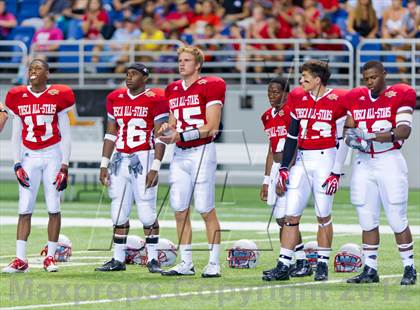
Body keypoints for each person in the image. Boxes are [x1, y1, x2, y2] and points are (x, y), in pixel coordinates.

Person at [264, 60, 349, 282]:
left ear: (318, 80)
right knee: (291, 216)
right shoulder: (297, 98)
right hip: (301, 159)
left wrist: (336, 172)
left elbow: (343, 139)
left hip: (325, 159)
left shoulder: (337, 99)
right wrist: (284, 167)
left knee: (323, 216)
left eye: (305, 78)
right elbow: (292, 135)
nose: (301, 81)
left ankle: (322, 265)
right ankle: (284, 265)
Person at [344, 61, 417, 285]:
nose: (370, 82)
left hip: (389, 161)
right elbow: (349, 127)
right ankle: (370, 269)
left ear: (384, 75)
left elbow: (403, 130)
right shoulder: (357, 97)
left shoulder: (400, 94)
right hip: (364, 162)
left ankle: (409, 268)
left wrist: (369, 137)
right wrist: (352, 138)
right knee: (366, 217)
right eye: (366, 78)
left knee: (396, 217)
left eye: (374, 77)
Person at [158, 45, 225, 278]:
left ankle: (214, 263)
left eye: (186, 60)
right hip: (180, 154)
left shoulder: (212, 85)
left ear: (197, 65)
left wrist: (182, 134)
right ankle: (186, 262)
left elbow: (212, 127)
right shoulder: (173, 89)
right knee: (179, 209)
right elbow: (173, 123)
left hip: (202, 152)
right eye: (179, 60)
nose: (181, 63)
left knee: (205, 209)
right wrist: (168, 129)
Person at [95, 63, 169, 273]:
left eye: (134, 74)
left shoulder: (156, 98)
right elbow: (110, 134)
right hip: (119, 158)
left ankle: (152, 258)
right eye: (127, 74)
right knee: (118, 212)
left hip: (143, 156)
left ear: (145, 78)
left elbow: (160, 136)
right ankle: (118, 259)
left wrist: (155, 166)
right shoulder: (115, 98)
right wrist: (104, 163)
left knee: (146, 212)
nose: (129, 77)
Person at [2, 59, 74, 273]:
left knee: (54, 206)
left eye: (38, 68)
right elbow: (16, 134)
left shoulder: (59, 95)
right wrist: (16, 164)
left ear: (47, 74)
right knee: (24, 208)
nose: (33, 70)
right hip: (29, 156)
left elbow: (66, 134)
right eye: (31, 67)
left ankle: (50, 257)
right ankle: (20, 259)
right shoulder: (17, 96)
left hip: (52, 154)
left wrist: (64, 165)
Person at [260, 77, 312, 279]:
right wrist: (266, 180)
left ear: (286, 93)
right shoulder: (266, 116)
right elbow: (271, 149)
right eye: (269, 92)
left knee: (287, 216)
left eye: (276, 92)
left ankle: (298, 261)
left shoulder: (292, 110)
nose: (272, 96)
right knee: (280, 219)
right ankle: (298, 259)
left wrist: (286, 169)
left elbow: (295, 142)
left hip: (291, 166)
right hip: (276, 167)